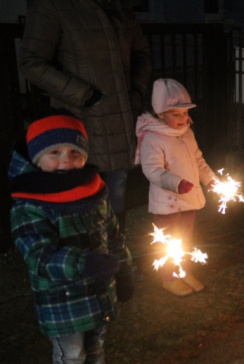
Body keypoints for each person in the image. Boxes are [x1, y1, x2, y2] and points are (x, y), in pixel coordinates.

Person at [9, 109, 134, 364]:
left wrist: (126, 268)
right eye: (54, 153)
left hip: (97, 293)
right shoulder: (29, 203)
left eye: (75, 153)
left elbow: (113, 235)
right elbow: (39, 255)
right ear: (37, 157)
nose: (66, 161)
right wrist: (84, 262)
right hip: (62, 303)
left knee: (96, 352)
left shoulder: (94, 190)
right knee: (71, 357)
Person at [20, 0, 152, 234]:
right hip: (80, 121)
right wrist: (85, 96)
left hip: (119, 118)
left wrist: (136, 92)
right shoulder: (54, 6)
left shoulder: (119, 7)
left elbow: (141, 52)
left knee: (116, 191)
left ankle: (115, 259)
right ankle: (86, 260)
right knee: (81, 194)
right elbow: (32, 63)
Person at [136, 79, 217, 297]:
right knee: (170, 241)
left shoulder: (187, 133)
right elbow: (152, 170)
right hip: (168, 202)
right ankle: (169, 277)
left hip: (189, 199)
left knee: (186, 238)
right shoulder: (152, 137)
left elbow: (198, 160)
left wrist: (209, 179)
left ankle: (185, 271)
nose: (182, 119)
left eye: (184, 113)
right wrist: (175, 183)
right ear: (160, 113)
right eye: (175, 114)